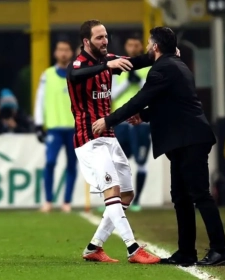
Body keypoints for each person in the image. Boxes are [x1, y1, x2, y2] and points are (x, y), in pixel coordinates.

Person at [92, 26, 225, 267]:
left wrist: (108, 120)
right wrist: (144, 116)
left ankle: (220, 250)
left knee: (200, 195)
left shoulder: (163, 69)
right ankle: (186, 253)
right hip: (184, 140)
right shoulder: (175, 64)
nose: (147, 47)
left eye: (149, 43)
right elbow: (170, 103)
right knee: (180, 197)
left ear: (156, 47)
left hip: (190, 140)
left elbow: (140, 98)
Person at [66, 19, 165, 264]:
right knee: (112, 191)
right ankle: (133, 248)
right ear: (86, 41)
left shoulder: (108, 59)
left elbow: (137, 61)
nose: (105, 40)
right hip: (89, 139)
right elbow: (74, 74)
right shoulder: (80, 64)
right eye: (99, 37)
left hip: (109, 136)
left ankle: (93, 247)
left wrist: (161, 53)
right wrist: (106, 66)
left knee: (127, 194)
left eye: (106, 36)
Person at [34, 37, 77, 213]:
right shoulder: (47, 75)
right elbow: (40, 100)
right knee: (50, 162)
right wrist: (38, 124)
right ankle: (48, 201)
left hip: (74, 128)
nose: (63, 53)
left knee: (72, 165)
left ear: (71, 52)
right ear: (55, 53)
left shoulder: (77, 74)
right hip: (54, 128)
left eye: (66, 49)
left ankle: (67, 202)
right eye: (60, 49)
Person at [111, 34, 152, 212]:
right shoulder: (117, 66)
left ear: (141, 46)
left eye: (137, 45)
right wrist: (128, 83)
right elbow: (111, 95)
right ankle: (117, 200)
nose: (133, 48)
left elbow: (153, 89)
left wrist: (139, 80)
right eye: (130, 44)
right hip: (121, 121)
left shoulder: (149, 66)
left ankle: (137, 200)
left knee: (141, 160)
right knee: (118, 161)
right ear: (126, 47)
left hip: (141, 121)